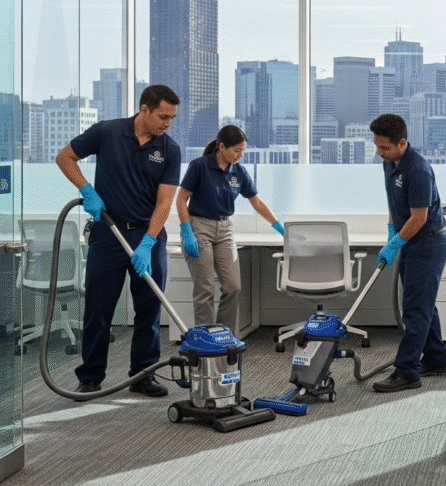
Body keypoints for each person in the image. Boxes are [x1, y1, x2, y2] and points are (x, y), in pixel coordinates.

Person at [55, 84, 182, 398]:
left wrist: (148, 242)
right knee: (98, 309)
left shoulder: (169, 149)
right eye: (163, 117)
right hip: (108, 234)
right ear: (144, 109)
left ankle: (143, 375)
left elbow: (164, 203)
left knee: (149, 310)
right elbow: (65, 157)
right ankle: (90, 377)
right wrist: (87, 189)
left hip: (147, 236)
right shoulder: (107, 132)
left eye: (172, 118)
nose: (167, 123)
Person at [369, 113, 446, 393]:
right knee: (422, 302)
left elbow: (418, 218)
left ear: (402, 143)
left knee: (415, 309)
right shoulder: (390, 164)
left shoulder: (417, 170)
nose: (380, 152)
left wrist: (395, 244)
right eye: (377, 146)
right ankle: (437, 359)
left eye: (385, 147)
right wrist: (392, 229)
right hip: (410, 240)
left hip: (428, 242)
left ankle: (406, 371)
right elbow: (394, 202)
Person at [176, 125, 284, 330]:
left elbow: (257, 202)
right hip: (199, 227)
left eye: (243, 150)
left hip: (225, 229)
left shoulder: (239, 172)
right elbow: (181, 200)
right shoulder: (200, 166)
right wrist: (186, 230)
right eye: (237, 150)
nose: (240, 155)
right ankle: (206, 341)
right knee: (205, 288)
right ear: (222, 147)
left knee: (233, 287)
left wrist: (278, 226)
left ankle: (224, 335)